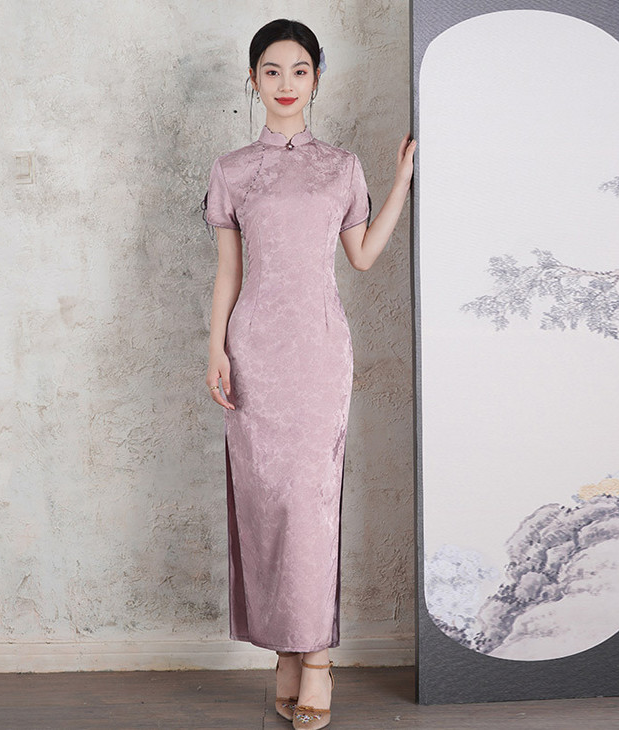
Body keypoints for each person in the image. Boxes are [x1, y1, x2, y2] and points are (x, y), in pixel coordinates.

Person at [202, 18, 416, 730]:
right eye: (272, 70)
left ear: (317, 78)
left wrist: (400, 183)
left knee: (312, 502)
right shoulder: (233, 170)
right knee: (266, 503)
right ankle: (287, 654)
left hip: (319, 353)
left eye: (299, 70)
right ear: (253, 79)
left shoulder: (341, 167)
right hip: (254, 352)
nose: (286, 83)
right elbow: (228, 272)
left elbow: (362, 257)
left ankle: (316, 657)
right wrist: (215, 349)